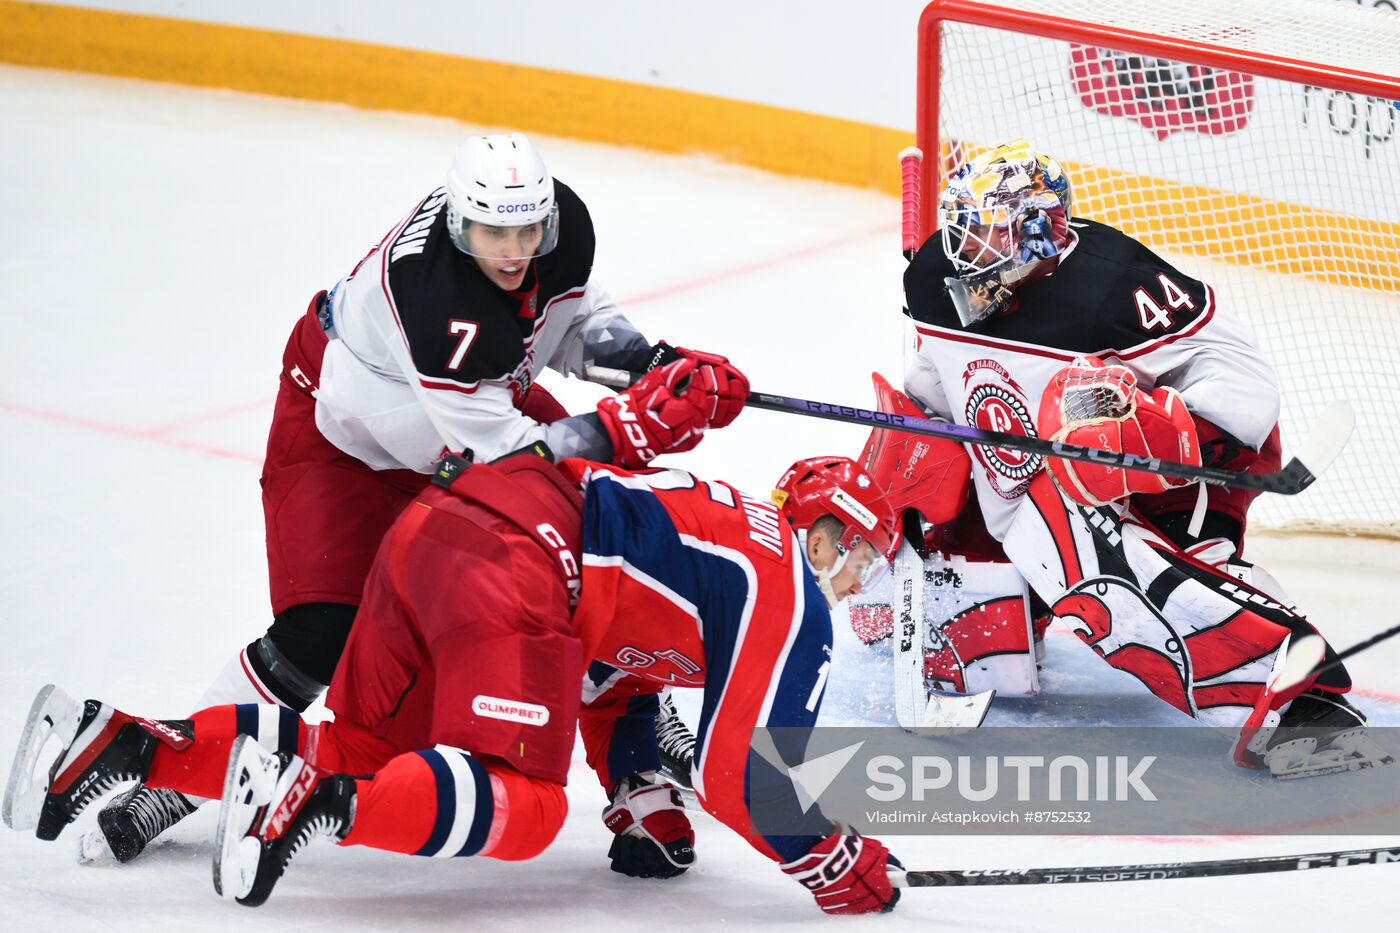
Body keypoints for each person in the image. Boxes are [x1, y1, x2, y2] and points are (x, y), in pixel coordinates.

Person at [90, 131, 746, 862]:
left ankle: (631, 719)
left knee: (600, 544)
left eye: (528, 229)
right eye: (494, 232)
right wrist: (634, 423)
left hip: (467, 419)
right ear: (459, 223)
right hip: (348, 437)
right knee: (320, 630)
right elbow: (507, 462)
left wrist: (653, 368)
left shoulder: (558, 231)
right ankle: (178, 773)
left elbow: (571, 325)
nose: (513, 250)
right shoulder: (433, 302)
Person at [4, 447, 903, 915]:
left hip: (445, 522)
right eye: (861, 551)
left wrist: (639, 796)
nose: (859, 578)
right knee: (530, 803)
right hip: (523, 565)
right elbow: (747, 777)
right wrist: (835, 861)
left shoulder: (709, 537)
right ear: (821, 530)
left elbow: (607, 673)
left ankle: (125, 742)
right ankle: (319, 800)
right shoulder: (787, 580)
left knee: (363, 743)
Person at [898, 138, 1387, 777]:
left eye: (991, 233)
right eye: (965, 230)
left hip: (1173, 464)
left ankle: (1299, 706)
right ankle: (1003, 620)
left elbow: (1242, 384)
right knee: (965, 547)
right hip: (1024, 476)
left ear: (1040, 230)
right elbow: (936, 380)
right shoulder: (938, 277)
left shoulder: (1115, 285)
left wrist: (1151, 439)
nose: (969, 250)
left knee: (1117, 580)